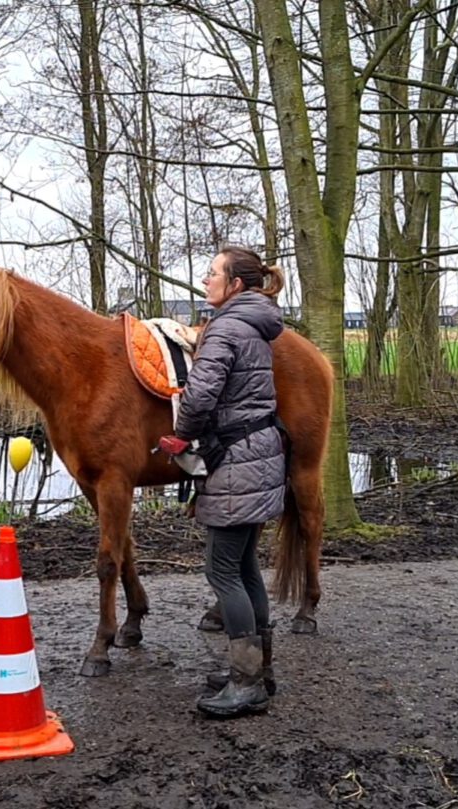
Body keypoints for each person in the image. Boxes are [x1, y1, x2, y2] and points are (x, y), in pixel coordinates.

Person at [157, 245, 286, 718]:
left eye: (213, 273)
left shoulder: (225, 328)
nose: (205, 279)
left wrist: (181, 435)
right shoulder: (254, 324)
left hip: (236, 460)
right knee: (245, 565)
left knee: (222, 571)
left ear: (234, 284)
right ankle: (256, 668)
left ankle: (246, 683)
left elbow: (201, 394)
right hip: (260, 453)